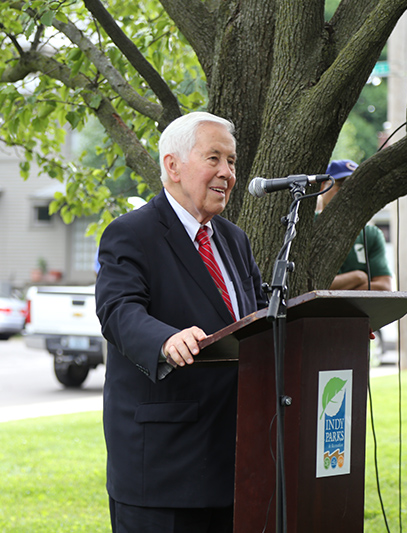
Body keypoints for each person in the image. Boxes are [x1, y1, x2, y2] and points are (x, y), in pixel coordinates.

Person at [95, 112, 267, 532]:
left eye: (231, 161)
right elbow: (118, 309)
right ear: (172, 165)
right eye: (214, 158)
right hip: (164, 470)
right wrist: (166, 340)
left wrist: (320, 330)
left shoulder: (233, 239)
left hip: (234, 463)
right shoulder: (131, 233)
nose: (227, 173)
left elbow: (259, 313)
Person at [318, 159, 392, 291]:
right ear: (323, 186)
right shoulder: (305, 227)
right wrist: (358, 277)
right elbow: (304, 285)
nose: (347, 193)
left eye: (355, 187)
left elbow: (384, 287)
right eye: (341, 185)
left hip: (358, 312)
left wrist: (338, 289)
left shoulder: (371, 235)